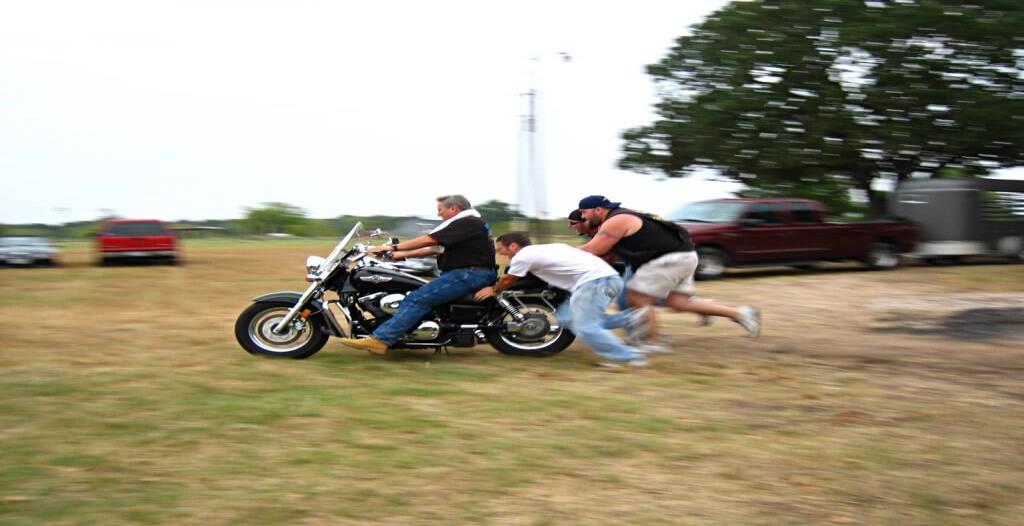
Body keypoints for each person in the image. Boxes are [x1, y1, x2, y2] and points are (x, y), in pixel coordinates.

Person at [576, 195, 760, 347]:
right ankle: (741, 314)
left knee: (636, 299)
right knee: (679, 302)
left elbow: (594, 249)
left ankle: (651, 342)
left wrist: (557, 252)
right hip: (683, 256)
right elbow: (609, 255)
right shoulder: (620, 217)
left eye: (584, 212)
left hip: (669, 259)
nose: (583, 217)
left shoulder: (616, 220)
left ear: (598, 210)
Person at [338, 195, 497, 355]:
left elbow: (430, 240)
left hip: (469, 274)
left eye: (440, 210)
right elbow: (434, 249)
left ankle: (381, 340)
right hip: (469, 273)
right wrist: (398, 256)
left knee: (416, 299)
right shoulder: (468, 224)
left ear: (454, 208)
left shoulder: (467, 222)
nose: (438, 214)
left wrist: (394, 248)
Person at [475, 232, 650, 368]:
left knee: (586, 327)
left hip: (595, 283)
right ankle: (631, 318)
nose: (502, 254)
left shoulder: (523, 255)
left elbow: (508, 279)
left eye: (501, 250)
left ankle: (630, 357)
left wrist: (493, 290)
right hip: (601, 281)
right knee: (566, 319)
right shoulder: (548, 248)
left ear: (513, 246)